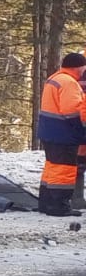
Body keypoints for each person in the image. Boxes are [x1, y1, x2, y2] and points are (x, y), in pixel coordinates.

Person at [37, 51, 86, 217]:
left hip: (49, 132)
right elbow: (71, 111)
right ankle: (59, 206)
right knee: (64, 169)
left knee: (52, 167)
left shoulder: (55, 78)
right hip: (63, 134)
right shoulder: (69, 83)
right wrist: (81, 130)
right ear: (78, 68)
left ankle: (46, 203)